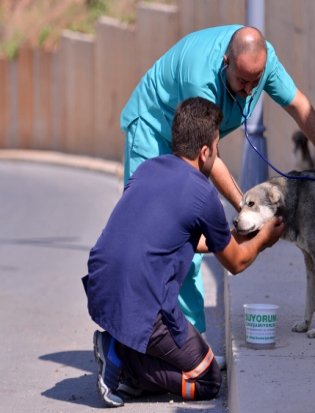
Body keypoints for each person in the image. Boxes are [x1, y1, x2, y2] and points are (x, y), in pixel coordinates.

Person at [119, 24, 315, 348]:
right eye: (242, 82)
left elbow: (298, 104)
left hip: (194, 146)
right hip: (154, 130)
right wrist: (248, 207)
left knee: (188, 244)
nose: (248, 91)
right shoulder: (200, 79)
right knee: (157, 232)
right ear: (226, 62)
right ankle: (134, 343)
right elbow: (209, 159)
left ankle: (190, 343)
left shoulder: (261, 63)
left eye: (256, 83)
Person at [83, 97, 285, 407]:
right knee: (206, 380)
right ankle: (122, 359)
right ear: (205, 151)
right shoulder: (203, 193)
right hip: (144, 307)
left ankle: (121, 350)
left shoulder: (149, 168)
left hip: (102, 290)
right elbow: (236, 261)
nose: (216, 154)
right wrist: (265, 238)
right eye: (216, 148)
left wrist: (230, 236)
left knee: (186, 359)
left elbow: (174, 238)